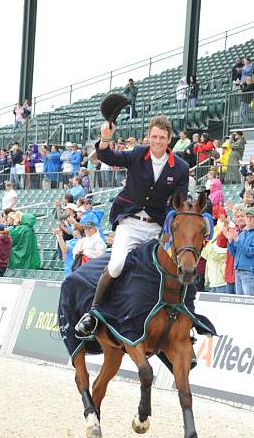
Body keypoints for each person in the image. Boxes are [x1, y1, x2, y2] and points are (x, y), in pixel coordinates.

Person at [75, 115, 189, 336]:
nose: (157, 141)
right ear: (149, 136)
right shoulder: (138, 153)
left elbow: (180, 201)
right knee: (117, 265)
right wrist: (105, 139)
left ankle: (181, 318)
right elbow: (108, 156)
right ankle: (93, 312)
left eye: (162, 137)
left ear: (169, 139)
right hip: (130, 222)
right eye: (154, 136)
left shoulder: (181, 167)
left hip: (157, 226)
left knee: (172, 269)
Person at [225, 207, 254, 296]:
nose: (249, 219)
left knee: (249, 302)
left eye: (251, 217)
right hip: (238, 270)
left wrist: (236, 239)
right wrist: (230, 241)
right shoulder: (242, 233)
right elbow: (234, 253)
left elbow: (251, 252)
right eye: (247, 216)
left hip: (249, 271)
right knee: (240, 302)